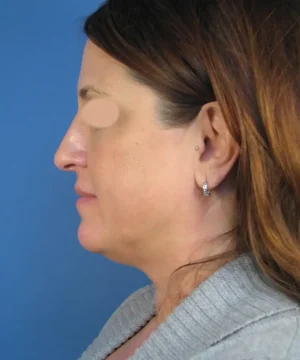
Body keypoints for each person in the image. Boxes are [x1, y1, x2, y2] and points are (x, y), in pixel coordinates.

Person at [54, 0, 300, 359]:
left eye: (99, 114)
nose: (64, 155)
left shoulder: (274, 348)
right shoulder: (140, 313)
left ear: (210, 146)